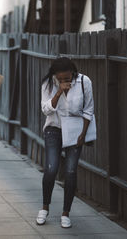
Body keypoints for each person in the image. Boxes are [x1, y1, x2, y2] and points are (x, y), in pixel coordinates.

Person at [36, 57, 94, 228]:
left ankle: (65, 213)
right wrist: (59, 91)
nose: (63, 81)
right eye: (59, 79)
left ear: (73, 73)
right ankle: (45, 208)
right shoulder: (48, 84)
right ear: (54, 75)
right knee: (51, 168)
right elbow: (46, 110)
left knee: (70, 171)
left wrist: (83, 134)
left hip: (76, 131)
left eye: (66, 79)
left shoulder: (84, 82)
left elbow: (89, 109)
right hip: (54, 129)